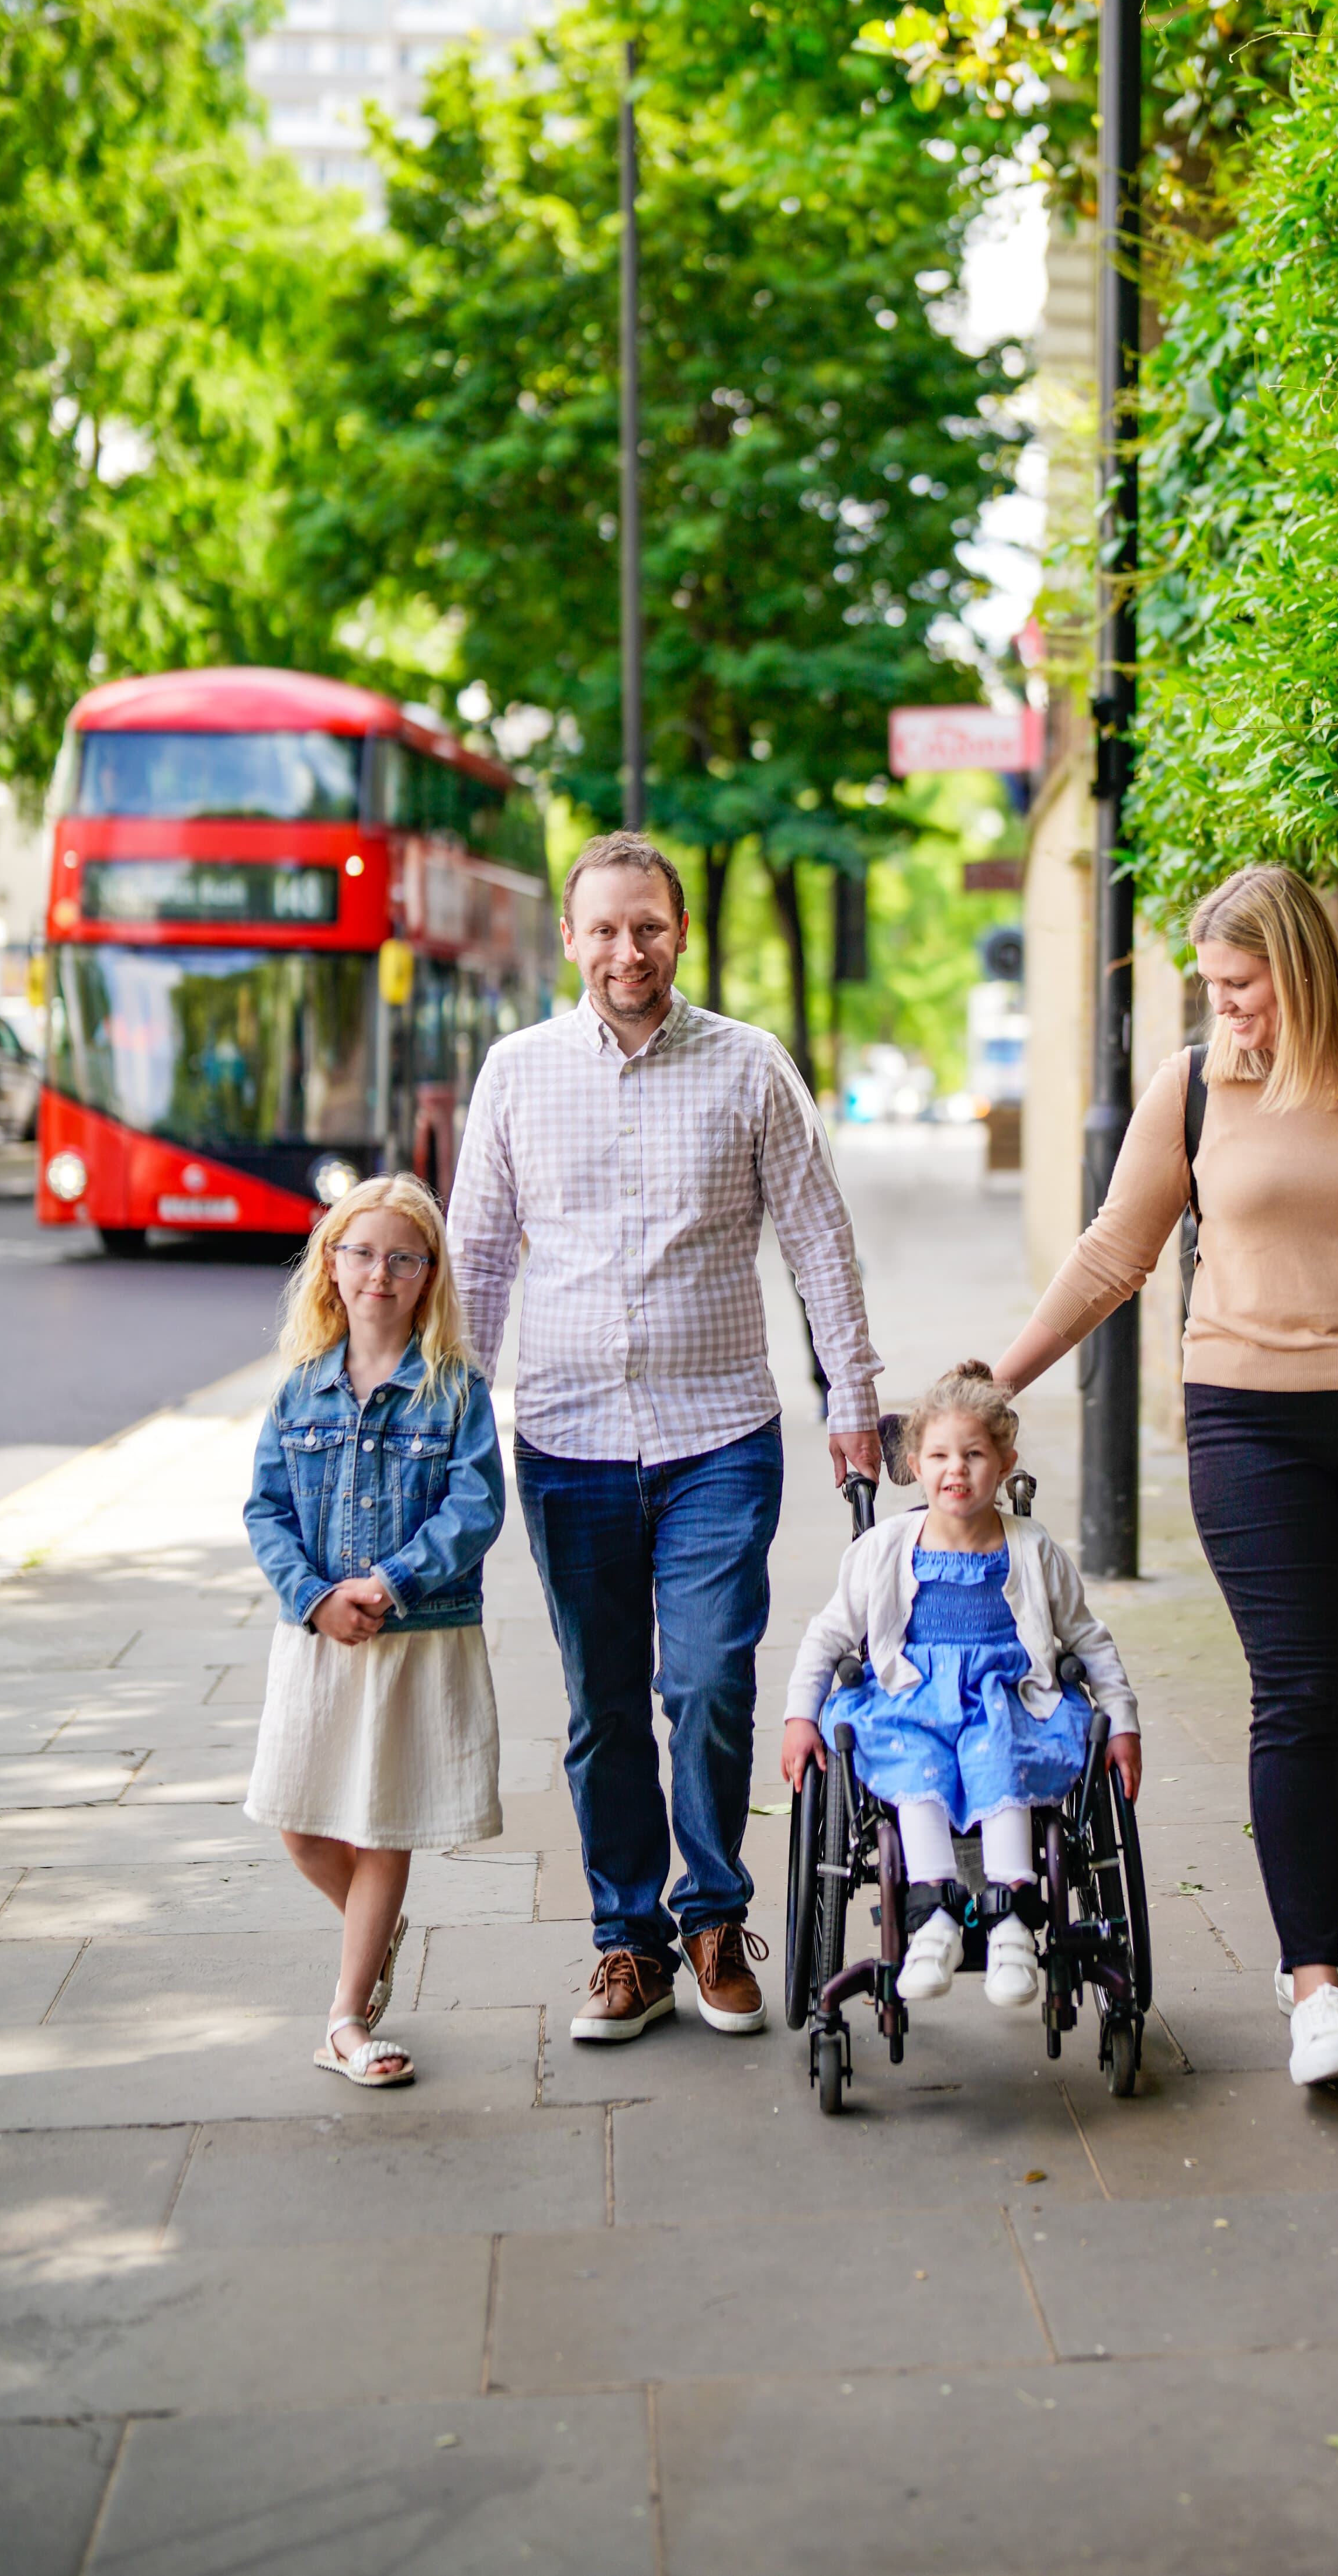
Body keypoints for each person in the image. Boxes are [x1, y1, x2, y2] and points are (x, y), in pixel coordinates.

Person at [993, 865, 1338, 2088]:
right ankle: (1312, 1980)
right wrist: (1000, 1375)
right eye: (1212, 989)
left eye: (1239, 986)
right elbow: (1111, 1254)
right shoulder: (1191, 1087)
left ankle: (1314, 1952)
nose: (1223, 1008)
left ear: (1294, 968)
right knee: (1295, 1688)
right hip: (1247, 1421)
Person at [448, 831, 883, 2046]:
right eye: (602, 928)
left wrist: (850, 1396)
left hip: (718, 1437)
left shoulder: (749, 1067)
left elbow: (815, 1239)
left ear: (678, 932)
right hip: (567, 1440)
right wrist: (452, 1421)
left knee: (703, 1681)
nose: (625, 949)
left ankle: (711, 1918)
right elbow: (476, 1253)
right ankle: (624, 1943)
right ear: (571, 940)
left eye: (646, 925)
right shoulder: (515, 1071)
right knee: (597, 1702)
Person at [244, 1173, 505, 2089]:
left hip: (414, 1636)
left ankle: (346, 2019)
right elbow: (266, 1510)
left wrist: (388, 1585)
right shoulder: (299, 1392)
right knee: (300, 1821)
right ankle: (376, 1921)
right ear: (331, 1265)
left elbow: (475, 1509)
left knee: (381, 1821)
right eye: (361, 1253)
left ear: (429, 1274)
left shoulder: (455, 1391)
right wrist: (315, 1595)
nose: (379, 1273)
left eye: (402, 1257)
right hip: (318, 1637)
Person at [780, 1362, 1140, 2009]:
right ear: (914, 1464)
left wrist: (1122, 1721)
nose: (956, 1469)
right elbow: (828, 1635)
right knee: (914, 1763)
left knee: (997, 1754)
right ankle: (932, 1919)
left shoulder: (1031, 1547)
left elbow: (1089, 1638)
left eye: (974, 1454)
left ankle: (1009, 1925)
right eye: (940, 1455)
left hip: (1008, 1699)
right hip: (910, 1699)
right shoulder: (885, 1547)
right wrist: (799, 1716)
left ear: (1004, 1462)